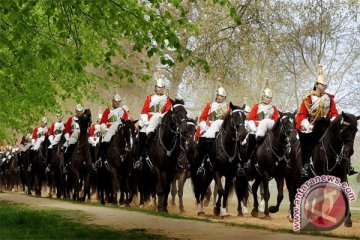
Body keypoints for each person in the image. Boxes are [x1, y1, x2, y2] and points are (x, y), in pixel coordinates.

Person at [295, 64, 357, 177]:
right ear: (316, 84)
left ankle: (347, 165)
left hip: (328, 125)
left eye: (324, 85)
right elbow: (301, 115)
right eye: (321, 84)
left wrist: (334, 122)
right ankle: (306, 165)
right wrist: (307, 124)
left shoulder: (329, 98)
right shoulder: (308, 98)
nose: (323, 86)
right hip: (312, 125)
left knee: (344, 138)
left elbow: (334, 113)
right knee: (306, 141)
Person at [133, 77, 172, 170]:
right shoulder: (149, 98)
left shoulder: (167, 99)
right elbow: (144, 111)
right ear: (155, 88)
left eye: (162, 87)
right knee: (141, 137)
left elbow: (167, 112)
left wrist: (162, 119)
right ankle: (139, 159)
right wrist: (146, 121)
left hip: (161, 121)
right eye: (159, 87)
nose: (161, 89)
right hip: (148, 121)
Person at [195, 87, 229, 175]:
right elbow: (202, 118)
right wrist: (206, 128)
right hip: (211, 128)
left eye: (223, 96)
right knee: (205, 141)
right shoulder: (210, 105)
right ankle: (202, 164)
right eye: (220, 96)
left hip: (223, 128)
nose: (222, 98)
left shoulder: (228, 106)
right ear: (217, 96)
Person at [244, 88, 280, 171]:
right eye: (267, 97)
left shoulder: (273, 108)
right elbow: (251, 119)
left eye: (270, 98)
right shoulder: (257, 107)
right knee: (251, 139)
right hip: (257, 129)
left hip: (269, 130)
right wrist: (254, 128)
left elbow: (276, 120)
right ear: (263, 97)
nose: (268, 99)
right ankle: (248, 160)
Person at [97, 93, 128, 163]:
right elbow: (103, 122)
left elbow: (125, 122)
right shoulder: (108, 110)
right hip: (109, 130)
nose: (117, 103)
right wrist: (104, 128)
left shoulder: (123, 111)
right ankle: (100, 158)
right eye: (115, 101)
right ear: (112, 101)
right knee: (105, 141)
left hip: (120, 130)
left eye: (118, 101)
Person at [63, 104, 84, 168]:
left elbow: (88, 129)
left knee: (91, 146)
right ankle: (66, 163)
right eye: (77, 111)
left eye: (80, 111)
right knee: (66, 148)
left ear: (82, 111)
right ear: (75, 111)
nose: (79, 112)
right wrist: (67, 138)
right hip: (73, 137)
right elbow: (66, 130)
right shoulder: (71, 119)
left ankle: (92, 163)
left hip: (82, 137)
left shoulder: (84, 119)